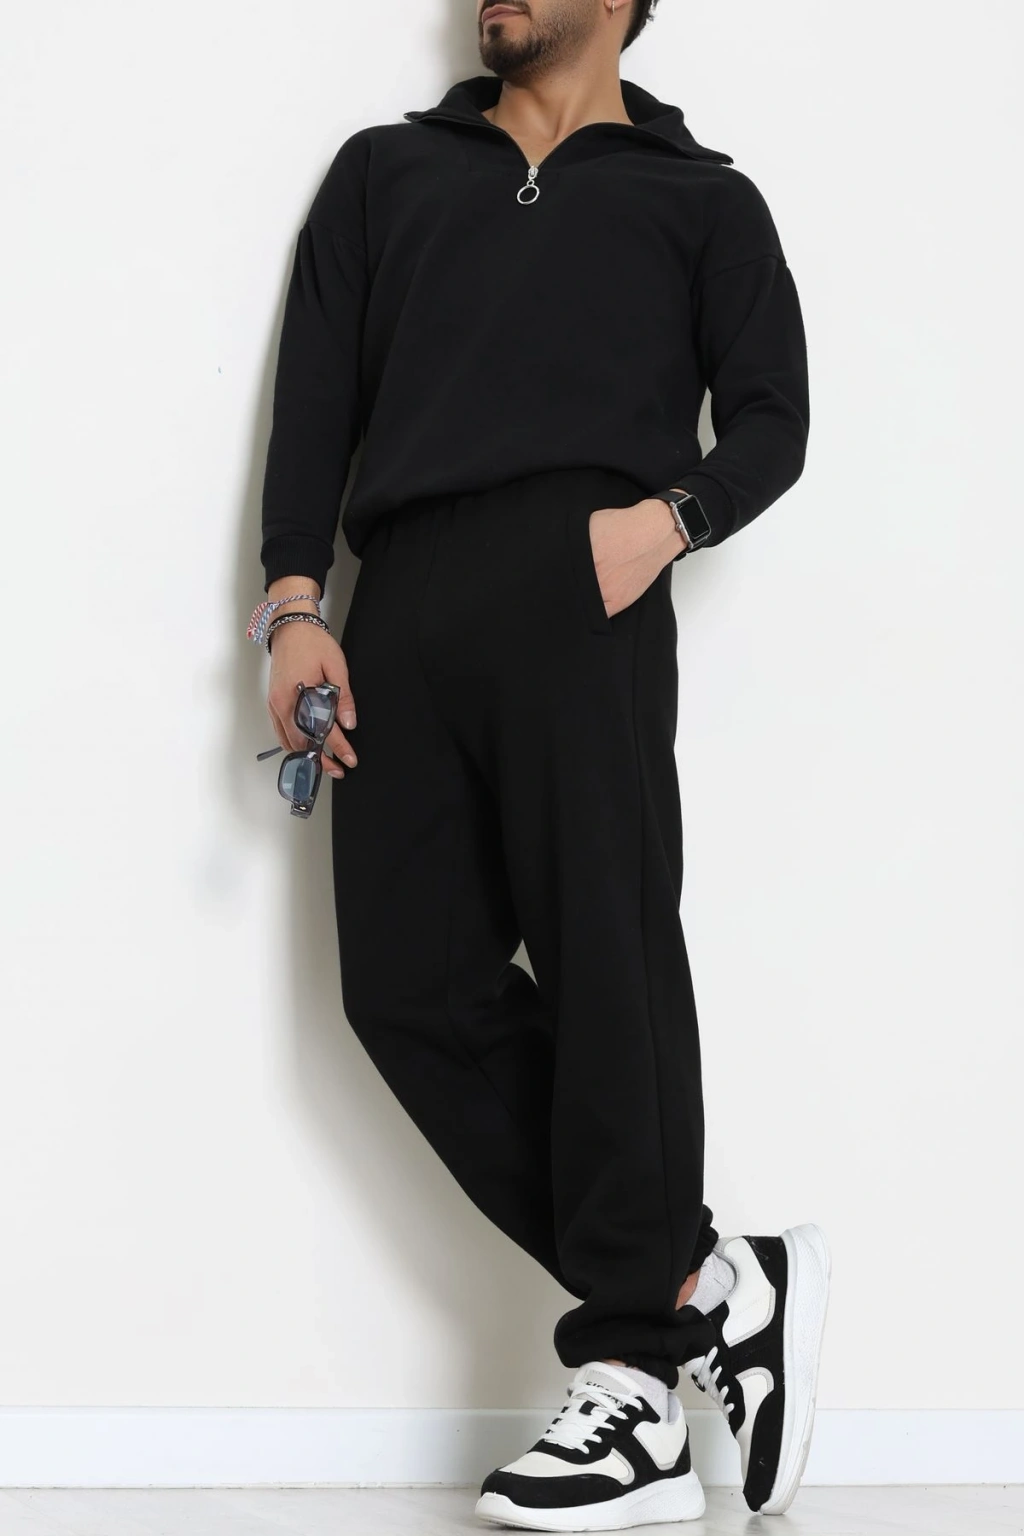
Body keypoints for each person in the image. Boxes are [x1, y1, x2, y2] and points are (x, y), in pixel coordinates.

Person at [252, 0, 829, 1527]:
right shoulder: (387, 174)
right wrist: (296, 606)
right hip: (399, 605)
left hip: (586, 592)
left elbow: (774, 417)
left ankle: (635, 1381)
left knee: (606, 962)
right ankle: (706, 1282)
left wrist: (667, 525)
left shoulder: (701, 200)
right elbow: (317, 398)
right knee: (407, 989)